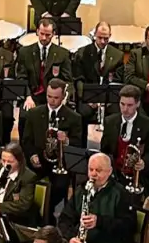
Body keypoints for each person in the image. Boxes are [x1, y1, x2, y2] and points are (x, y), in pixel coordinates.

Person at [19, 77, 83, 214]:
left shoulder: (74, 117)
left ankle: (46, 212)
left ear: (63, 96)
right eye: (49, 96)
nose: (52, 101)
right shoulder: (34, 114)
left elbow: (78, 144)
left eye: (56, 97)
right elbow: (26, 140)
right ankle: (35, 213)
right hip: (38, 161)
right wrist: (32, 155)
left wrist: (66, 140)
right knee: (26, 184)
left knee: (59, 187)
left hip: (61, 163)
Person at [100, 85, 149, 197]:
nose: (125, 109)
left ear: (138, 104)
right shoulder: (110, 121)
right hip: (115, 174)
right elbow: (104, 150)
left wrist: (144, 163)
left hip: (138, 177)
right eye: (122, 104)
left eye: (129, 105)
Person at [71, 22, 126, 124]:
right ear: (94, 34)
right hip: (88, 97)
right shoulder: (82, 53)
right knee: (83, 113)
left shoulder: (118, 55)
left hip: (109, 99)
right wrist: (87, 98)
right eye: (100, 37)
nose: (102, 41)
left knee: (116, 113)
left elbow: (117, 80)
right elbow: (78, 79)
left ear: (110, 36)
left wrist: (105, 100)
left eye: (106, 38)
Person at [16, 15, 72, 105]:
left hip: (54, 96)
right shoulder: (25, 52)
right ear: (37, 31)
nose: (44, 38)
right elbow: (21, 78)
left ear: (53, 34)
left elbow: (68, 80)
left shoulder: (63, 54)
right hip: (32, 96)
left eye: (47, 35)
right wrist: (27, 96)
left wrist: (64, 97)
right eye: (41, 34)